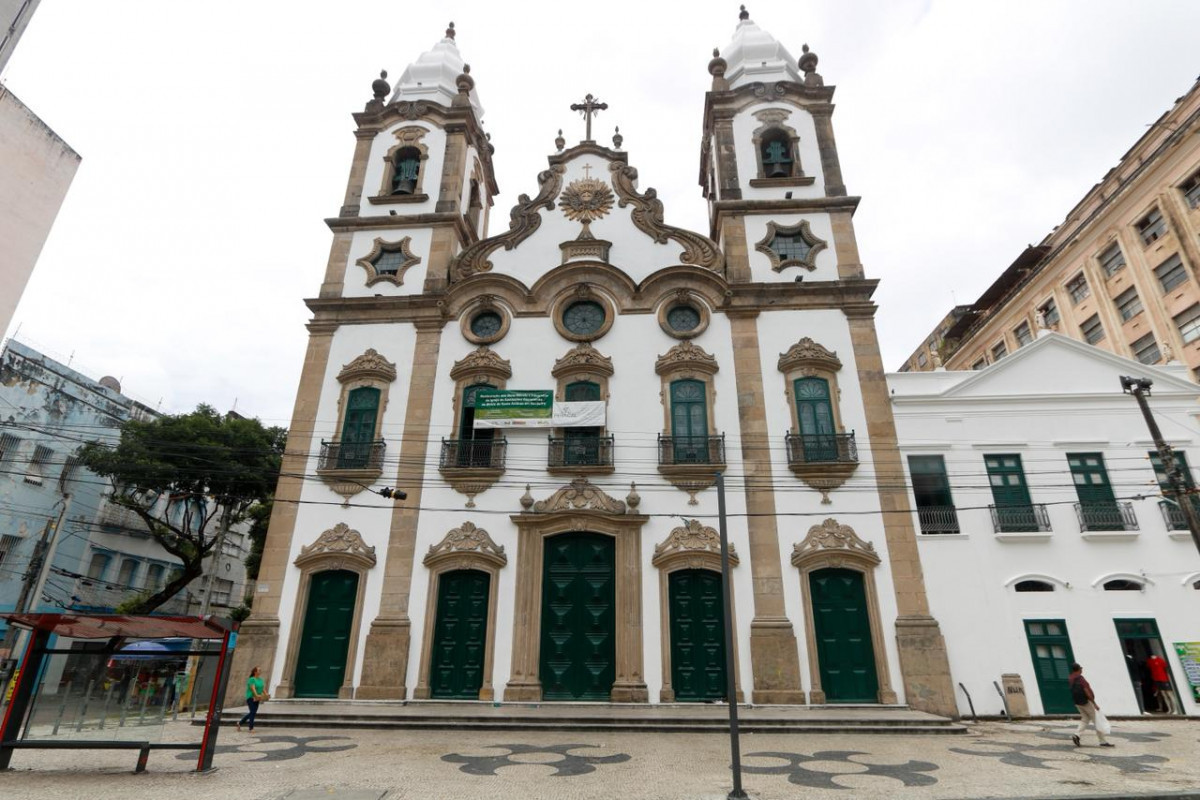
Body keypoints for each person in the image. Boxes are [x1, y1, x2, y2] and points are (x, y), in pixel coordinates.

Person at [1068, 663, 1114, 747]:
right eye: (1081, 668)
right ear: (1079, 669)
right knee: (1097, 720)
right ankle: (1102, 741)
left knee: (1085, 718)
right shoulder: (1081, 679)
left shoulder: (1071, 678)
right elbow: (1087, 692)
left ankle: (1077, 735)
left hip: (1077, 702)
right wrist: (1094, 703)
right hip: (1086, 703)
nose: (1082, 669)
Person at [236, 666, 268, 732]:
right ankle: (251, 728)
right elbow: (253, 689)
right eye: (259, 670)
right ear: (255, 672)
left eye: (260, 670)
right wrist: (256, 695)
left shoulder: (260, 679)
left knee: (252, 712)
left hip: (257, 698)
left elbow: (262, 688)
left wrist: (266, 694)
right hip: (251, 697)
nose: (260, 671)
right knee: (253, 712)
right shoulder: (251, 679)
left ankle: (239, 723)